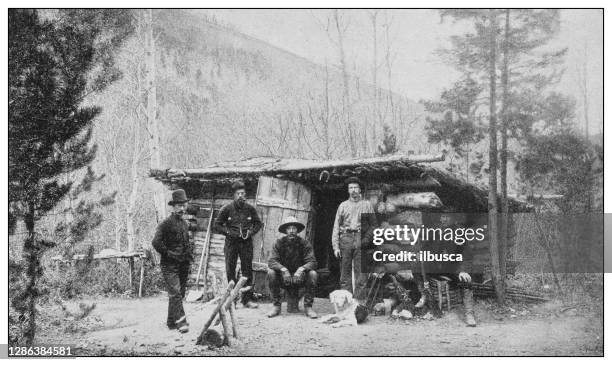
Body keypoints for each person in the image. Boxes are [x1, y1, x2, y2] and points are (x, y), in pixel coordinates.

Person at [152, 189, 198, 333]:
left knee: (179, 293)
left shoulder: (184, 223)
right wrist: (168, 253)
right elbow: (156, 242)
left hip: (183, 264)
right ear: (173, 206)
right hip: (169, 265)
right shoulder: (165, 223)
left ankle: (171, 321)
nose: (182, 208)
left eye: (184, 205)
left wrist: (188, 257)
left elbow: (186, 243)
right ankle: (181, 322)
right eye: (179, 205)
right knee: (176, 292)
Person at [214, 181, 262, 308]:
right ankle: (232, 300)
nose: (241, 196)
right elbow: (217, 225)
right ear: (234, 195)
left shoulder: (250, 209)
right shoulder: (226, 209)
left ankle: (247, 300)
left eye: (243, 193)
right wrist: (228, 232)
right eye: (238, 193)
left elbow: (258, 224)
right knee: (230, 269)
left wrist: (251, 232)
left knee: (247, 270)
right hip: (231, 243)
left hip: (246, 244)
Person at [426, 210, 477, 326]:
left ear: (453, 218)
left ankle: (469, 314)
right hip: (436, 267)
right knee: (415, 268)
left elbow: (466, 255)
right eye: (442, 217)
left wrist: (462, 271)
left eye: (446, 217)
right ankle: (424, 299)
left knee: (466, 281)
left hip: (452, 270)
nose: (443, 219)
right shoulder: (435, 231)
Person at [331, 177, 377, 301]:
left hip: (360, 237)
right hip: (345, 238)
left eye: (355, 187)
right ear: (348, 190)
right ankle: (346, 303)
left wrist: (367, 239)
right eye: (350, 188)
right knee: (345, 273)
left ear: (360, 189)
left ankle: (359, 303)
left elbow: (373, 225)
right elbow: (336, 226)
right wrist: (335, 246)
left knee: (361, 272)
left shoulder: (367, 205)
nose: (353, 190)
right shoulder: (343, 206)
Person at [267, 216, 318, 319]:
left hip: (300, 277)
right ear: (285, 230)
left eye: (294, 228)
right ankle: (276, 306)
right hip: (283, 277)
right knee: (271, 273)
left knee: (313, 274)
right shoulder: (279, 243)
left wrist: (301, 269)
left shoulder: (304, 244)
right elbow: (272, 261)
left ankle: (308, 307)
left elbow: (312, 262)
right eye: (289, 228)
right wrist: (283, 269)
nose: (291, 231)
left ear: (297, 230)